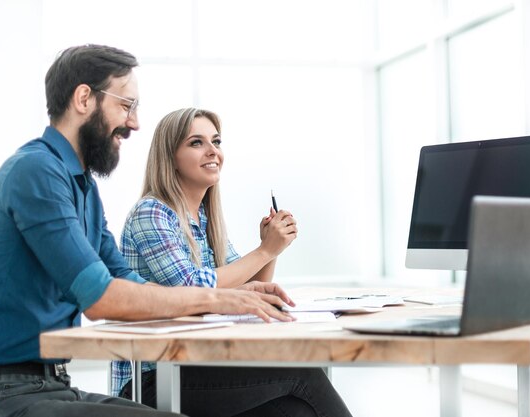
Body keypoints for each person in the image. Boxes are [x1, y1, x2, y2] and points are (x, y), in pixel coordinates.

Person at [0, 45, 295, 417]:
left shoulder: (82, 188)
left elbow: (129, 282)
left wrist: (238, 294)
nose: (134, 123)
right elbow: (103, 299)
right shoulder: (36, 173)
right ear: (84, 98)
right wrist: (217, 298)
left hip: (50, 384)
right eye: (126, 105)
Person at [112, 108, 354, 417]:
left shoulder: (205, 220)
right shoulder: (152, 213)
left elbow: (244, 294)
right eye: (196, 142)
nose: (213, 151)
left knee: (297, 411)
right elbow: (191, 288)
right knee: (301, 372)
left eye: (216, 141)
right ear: (169, 156)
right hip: (153, 377)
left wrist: (271, 248)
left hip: (198, 367)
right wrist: (264, 250)